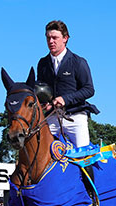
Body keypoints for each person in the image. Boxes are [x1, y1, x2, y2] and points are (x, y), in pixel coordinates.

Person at [37, 20, 99, 148]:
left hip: (75, 118)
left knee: (84, 159)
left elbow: (89, 89)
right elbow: (41, 90)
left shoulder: (78, 62)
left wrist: (65, 99)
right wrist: (44, 104)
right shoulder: (42, 63)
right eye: (48, 38)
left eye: (55, 38)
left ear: (65, 38)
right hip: (52, 118)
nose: (51, 41)